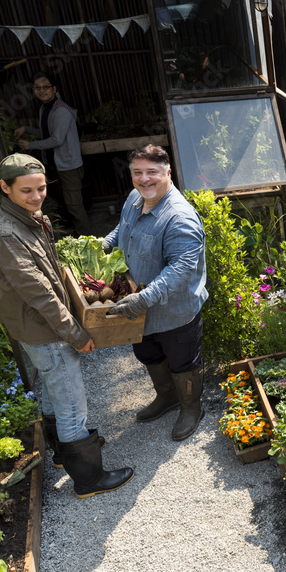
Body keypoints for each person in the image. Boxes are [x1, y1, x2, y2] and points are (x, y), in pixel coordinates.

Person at [0, 153, 133, 498]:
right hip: (44, 329)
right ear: (5, 188)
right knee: (71, 403)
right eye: (27, 191)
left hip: (34, 327)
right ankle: (90, 480)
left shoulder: (26, 217)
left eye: (41, 189)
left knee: (53, 392)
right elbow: (41, 296)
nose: (37, 197)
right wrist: (76, 334)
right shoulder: (7, 234)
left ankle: (66, 455)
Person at [104, 145, 208, 440]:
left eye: (152, 172)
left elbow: (180, 270)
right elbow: (123, 229)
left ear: (167, 173)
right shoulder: (135, 198)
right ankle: (167, 397)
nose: (144, 179)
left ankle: (191, 407)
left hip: (174, 312)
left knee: (182, 363)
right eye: (137, 172)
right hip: (139, 308)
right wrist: (104, 245)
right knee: (148, 353)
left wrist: (143, 299)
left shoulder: (179, 218)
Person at [14, 72, 91, 237]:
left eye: (46, 87)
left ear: (54, 89)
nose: (42, 91)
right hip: (55, 164)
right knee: (65, 202)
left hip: (69, 165)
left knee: (74, 205)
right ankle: (76, 233)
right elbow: (46, 133)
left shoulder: (61, 110)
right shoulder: (45, 108)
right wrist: (26, 129)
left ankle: (87, 239)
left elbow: (56, 139)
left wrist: (30, 145)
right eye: (37, 87)